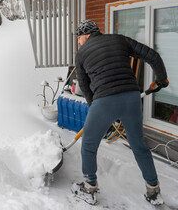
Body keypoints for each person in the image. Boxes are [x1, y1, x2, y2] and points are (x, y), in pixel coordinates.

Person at [71, 20, 169, 206]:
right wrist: (162, 79)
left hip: (104, 100)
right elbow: (153, 56)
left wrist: (96, 109)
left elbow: (84, 86)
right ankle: (153, 190)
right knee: (139, 146)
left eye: (79, 37)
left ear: (87, 34)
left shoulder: (81, 54)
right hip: (132, 99)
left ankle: (89, 188)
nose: (78, 41)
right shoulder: (119, 39)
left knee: (89, 146)